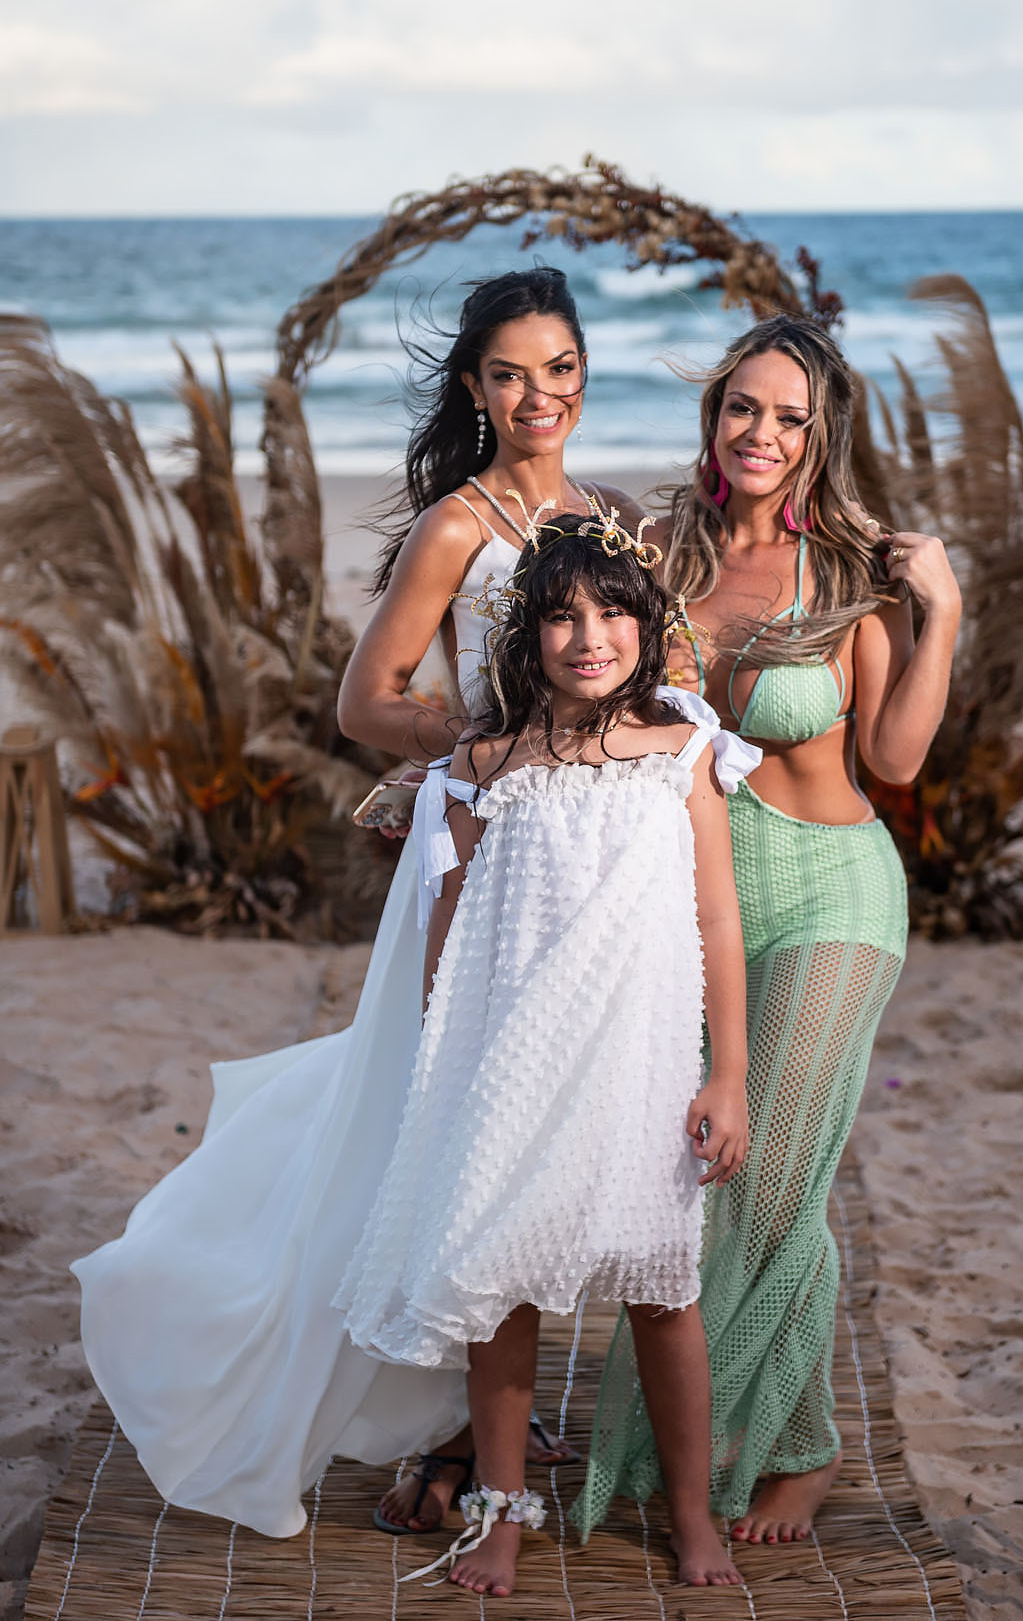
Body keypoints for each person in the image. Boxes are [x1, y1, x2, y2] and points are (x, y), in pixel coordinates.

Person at [71, 267, 630, 1538]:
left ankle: (466, 1411)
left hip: (583, 861)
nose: (536, 393)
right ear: (476, 389)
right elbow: (366, 700)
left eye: (557, 366)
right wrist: (494, 736)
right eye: (507, 372)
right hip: (481, 849)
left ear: (584, 373)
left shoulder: (607, 517)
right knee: (436, 1114)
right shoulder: (458, 523)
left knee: (531, 1119)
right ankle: (436, 1417)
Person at [575, 314, 961, 1546]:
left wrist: (941, 610)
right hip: (700, 904)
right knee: (701, 1176)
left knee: (774, 1166)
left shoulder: (845, 580)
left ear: (818, 440)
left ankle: (804, 1451)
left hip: (836, 896)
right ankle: (734, 1428)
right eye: (746, 406)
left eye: (791, 418)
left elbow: (895, 759)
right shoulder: (660, 557)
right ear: (715, 416)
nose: (763, 432)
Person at [341, 509, 754, 1596]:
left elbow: (717, 917)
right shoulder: (484, 764)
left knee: (664, 1290)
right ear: (526, 638)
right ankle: (502, 1516)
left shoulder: (683, 752)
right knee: (502, 1292)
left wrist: (728, 1072)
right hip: (513, 1065)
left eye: (612, 609)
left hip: (642, 1062)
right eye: (562, 615)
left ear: (647, 624)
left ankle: (693, 1515)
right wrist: (445, 1074)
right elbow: (449, 931)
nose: (588, 634)